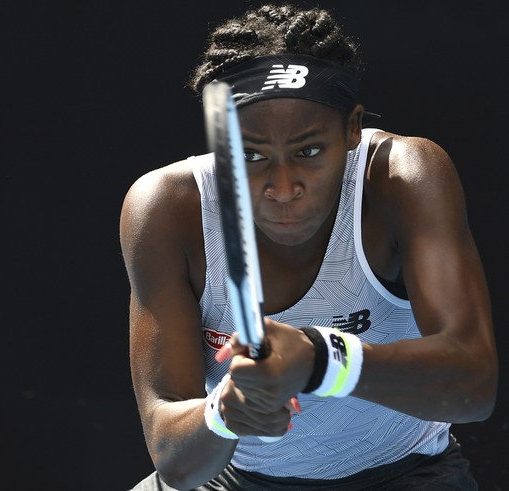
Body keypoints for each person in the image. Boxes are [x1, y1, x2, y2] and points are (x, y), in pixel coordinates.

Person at [119, 3, 498, 490]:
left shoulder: (402, 176)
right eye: (252, 155)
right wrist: (223, 412)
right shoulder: (166, 209)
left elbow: (473, 385)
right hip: (232, 481)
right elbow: (175, 460)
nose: (282, 186)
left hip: (407, 475)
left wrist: (321, 358)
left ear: (352, 128)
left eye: (309, 151)